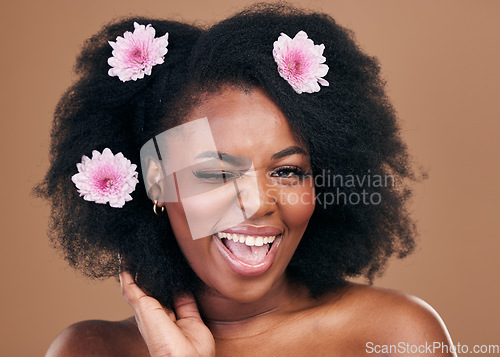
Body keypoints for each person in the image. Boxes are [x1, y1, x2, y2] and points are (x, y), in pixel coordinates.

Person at [36, 3, 455, 356]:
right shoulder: (92, 349)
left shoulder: (391, 334)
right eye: (216, 172)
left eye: (288, 171)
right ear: (156, 180)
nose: (256, 203)